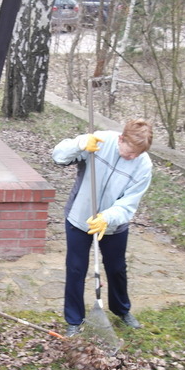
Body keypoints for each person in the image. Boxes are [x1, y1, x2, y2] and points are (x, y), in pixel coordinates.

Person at [51, 119, 154, 336]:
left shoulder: (143, 165)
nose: (132, 157)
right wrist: (80, 144)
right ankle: (74, 320)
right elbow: (58, 156)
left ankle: (121, 309)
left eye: (137, 153)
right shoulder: (99, 141)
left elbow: (128, 204)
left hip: (113, 225)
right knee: (76, 268)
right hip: (79, 217)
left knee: (116, 268)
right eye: (130, 151)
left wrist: (107, 218)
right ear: (121, 139)